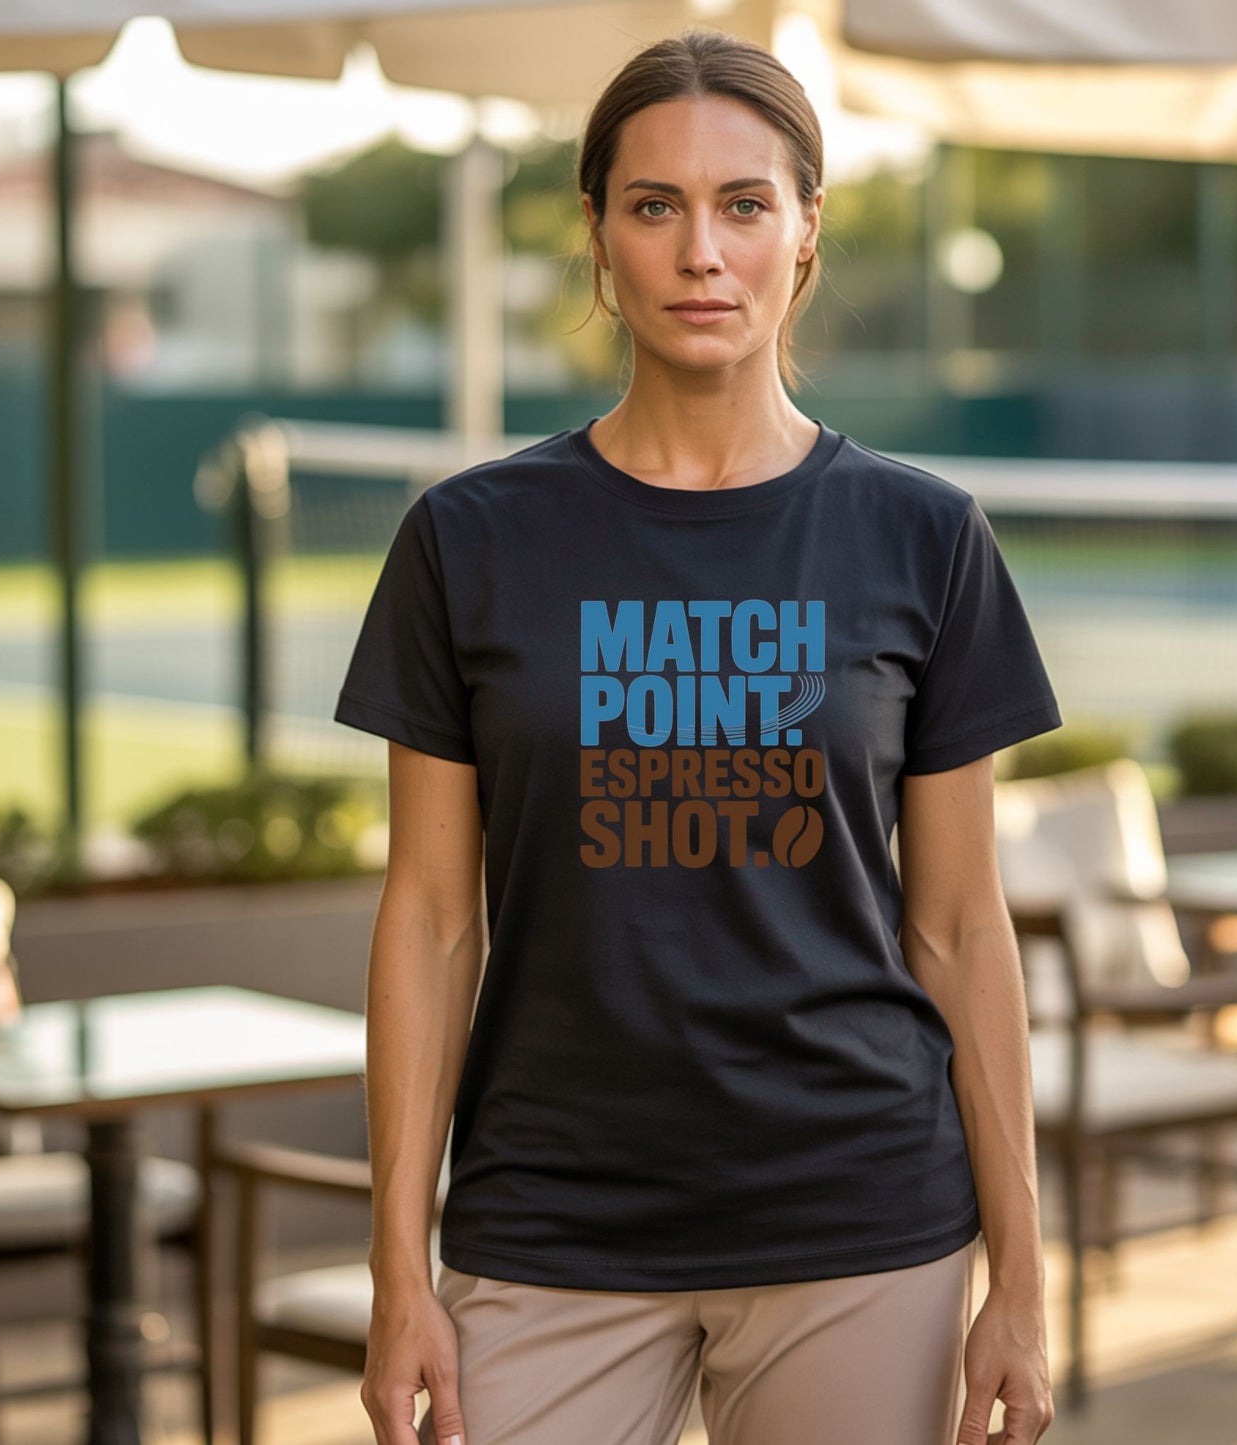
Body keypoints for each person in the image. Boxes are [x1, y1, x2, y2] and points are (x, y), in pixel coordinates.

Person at [338, 25, 1060, 1445]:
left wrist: (1023, 1282)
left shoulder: (924, 538)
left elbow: (963, 927)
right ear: (598, 242)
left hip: (859, 1215)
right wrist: (393, 1267)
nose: (698, 251)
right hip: (548, 1222)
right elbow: (427, 917)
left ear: (802, 237)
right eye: (652, 205)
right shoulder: (466, 540)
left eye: (743, 204)